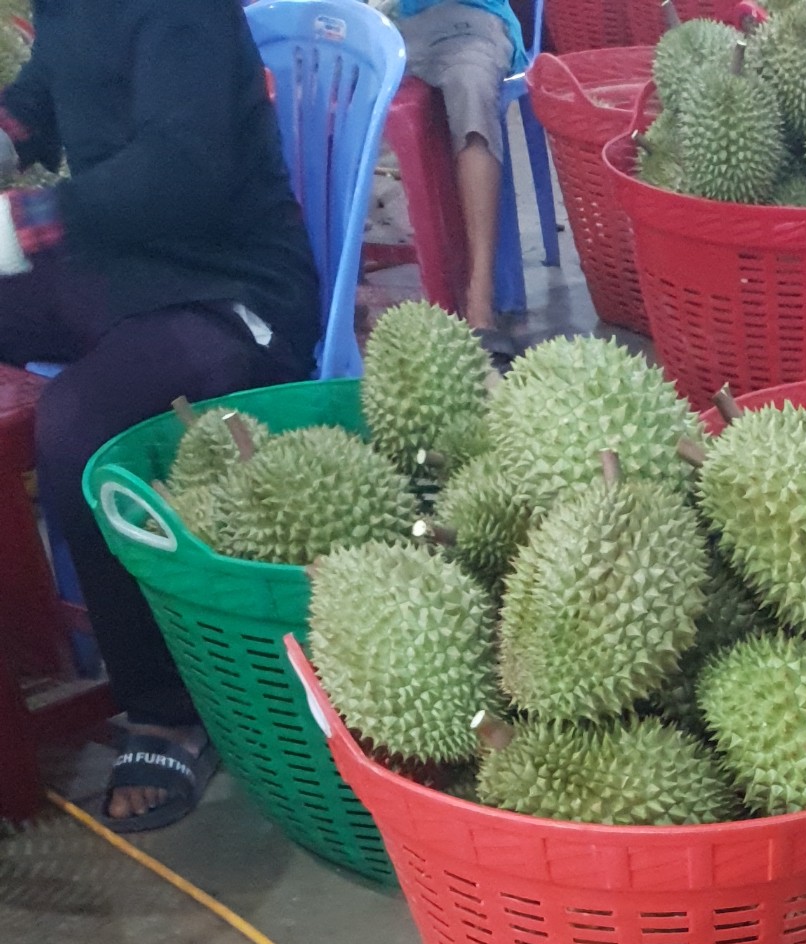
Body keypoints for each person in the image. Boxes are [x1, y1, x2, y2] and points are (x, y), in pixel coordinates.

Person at [0, 0, 319, 830]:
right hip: (120, 270)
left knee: (78, 430)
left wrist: (25, 223)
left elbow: (183, 173)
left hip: (230, 292)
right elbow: (49, 83)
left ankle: (166, 706)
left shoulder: (185, 12)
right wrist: (10, 130)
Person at [386, 0, 526, 347]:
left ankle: (480, 301)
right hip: (398, 26)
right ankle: (328, 296)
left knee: (470, 87)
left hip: (472, 20)